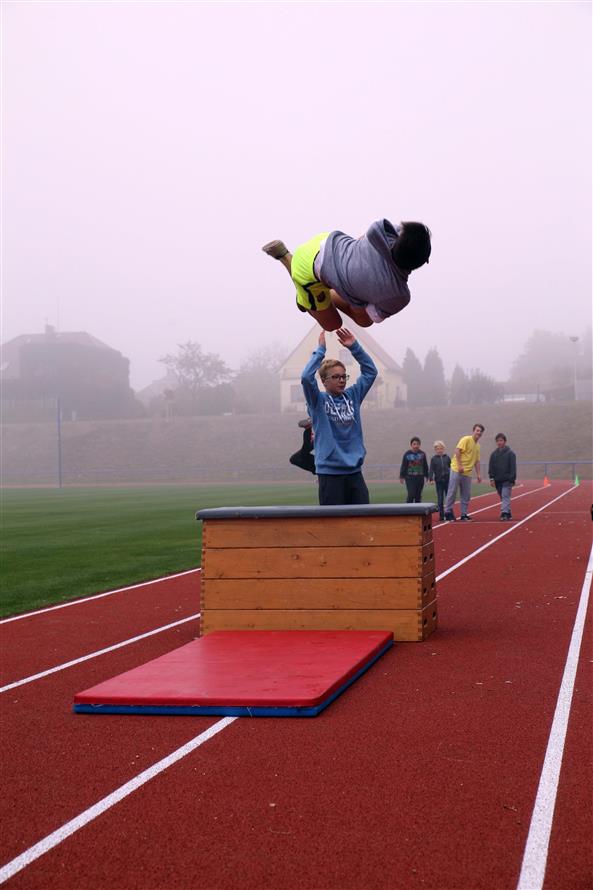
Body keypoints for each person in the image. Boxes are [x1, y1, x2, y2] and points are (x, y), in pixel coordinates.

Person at [262, 218, 431, 332]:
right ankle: (287, 260)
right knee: (335, 324)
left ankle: (324, 292)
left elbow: (402, 230)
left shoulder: (380, 230)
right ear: (423, 262)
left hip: (329, 241)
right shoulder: (399, 295)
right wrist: (361, 290)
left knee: (361, 312)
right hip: (305, 267)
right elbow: (368, 313)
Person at [301, 327, 377, 505]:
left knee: (362, 524)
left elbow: (371, 372)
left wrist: (354, 347)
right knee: (334, 528)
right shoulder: (317, 401)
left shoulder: (353, 396)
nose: (342, 380)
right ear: (324, 381)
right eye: (336, 377)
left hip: (354, 472)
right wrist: (320, 351)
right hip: (330, 474)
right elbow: (306, 378)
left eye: (344, 376)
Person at [443, 424, 485, 522]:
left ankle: (464, 514)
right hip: (457, 469)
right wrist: (460, 465)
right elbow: (457, 451)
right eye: (477, 430)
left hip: (467, 473)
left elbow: (477, 461)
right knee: (452, 491)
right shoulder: (466, 439)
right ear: (473, 431)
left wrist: (478, 474)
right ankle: (447, 512)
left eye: (480, 431)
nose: (478, 433)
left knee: (466, 494)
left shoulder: (478, 446)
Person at [488, 433, 517, 521]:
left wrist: (512, 479)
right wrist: (492, 478)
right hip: (498, 480)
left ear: (505, 441)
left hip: (507, 480)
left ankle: (504, 513)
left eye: (501, 440)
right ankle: (508, 512)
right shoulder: (493, 455)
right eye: (497, 441)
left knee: (505, 495)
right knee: (503, 496)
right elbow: (491, 467)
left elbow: (513, 467)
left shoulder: (511, 454)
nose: (499, 442)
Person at [399, 437, 429, 504]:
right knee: (411, 495)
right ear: (411, 445)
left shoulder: (422, 454)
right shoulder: (407, 454)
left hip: (420, 477)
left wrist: (427, 476)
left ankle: (418, 513)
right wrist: (401, 476)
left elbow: (425, 465)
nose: (416, 446)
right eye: (414, 444)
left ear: (419, 445)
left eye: (417, 444)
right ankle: (407, 511)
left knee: (418, 496)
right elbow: (404, 465)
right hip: (409, 478)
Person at [428, 440, 451, 521]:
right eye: (438, 449)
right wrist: (431, 479)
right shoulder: (433, 459)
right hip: (439, 482)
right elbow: (431, 470)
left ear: (443, 449)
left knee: (449, 498)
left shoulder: (447, 457)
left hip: (447, 481)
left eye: (441, 448)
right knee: (440, 499)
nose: (439, 450)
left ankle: (449, 514)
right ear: (435, 449)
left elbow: (451, 467)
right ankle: (441, 516)